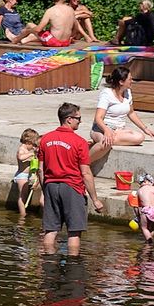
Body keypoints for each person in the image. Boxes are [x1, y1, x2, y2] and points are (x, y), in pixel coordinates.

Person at [38, 103, 105, 256]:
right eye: (78, 118)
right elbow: (86, 173)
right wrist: (95, 200)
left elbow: (40, 170)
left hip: (50, 186)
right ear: (69, 119)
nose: (80, 121)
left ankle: (48, 265)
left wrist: (46, 190)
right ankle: (73, 268)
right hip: (72, 188)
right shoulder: (79, 142)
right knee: (74, 232)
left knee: (51, 230)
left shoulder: (45, 140)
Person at [88, 66, 154, 161]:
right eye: (130, 79)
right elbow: (98, 118)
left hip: (119, 131)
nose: (132, 81)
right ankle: (84, 163)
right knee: (107, 143)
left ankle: (105, 139)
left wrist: (145, 129)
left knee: (139, 137)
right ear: (121, 82)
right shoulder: (107, 94)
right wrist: (107, 131)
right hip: (102, 129)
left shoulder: (127, 92)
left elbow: (131, 112)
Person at [14, 128, 40, 218]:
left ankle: (23, 212)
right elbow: (20, 157)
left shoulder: (29, 150)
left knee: (24, 195)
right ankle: (22, 214)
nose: (33, 147)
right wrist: (30, 154)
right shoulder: (22, 149)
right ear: (28, 142)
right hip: (21, 176)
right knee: (22, 196)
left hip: (27, 176)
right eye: (33, 145)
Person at [134, 173, 154, 243]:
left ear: (144, 181)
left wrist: (138, 216)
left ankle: (149, 242)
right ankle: (151, 238)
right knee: (151, 228)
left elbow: (136, 206)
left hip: (146, 211)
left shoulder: (139, 191)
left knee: (144, 228)